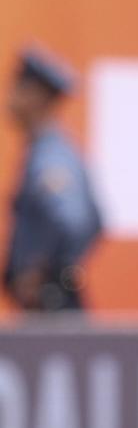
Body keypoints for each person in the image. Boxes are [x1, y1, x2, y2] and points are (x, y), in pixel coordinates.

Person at [5, 46, 102, 311]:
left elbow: (75, 220)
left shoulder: (51, 156)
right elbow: (97, 219)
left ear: (37, 95)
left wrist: (39, 269)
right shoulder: (45, 150)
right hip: (50, 306)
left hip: (53, 307)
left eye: (18, 87)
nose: (8, 96)